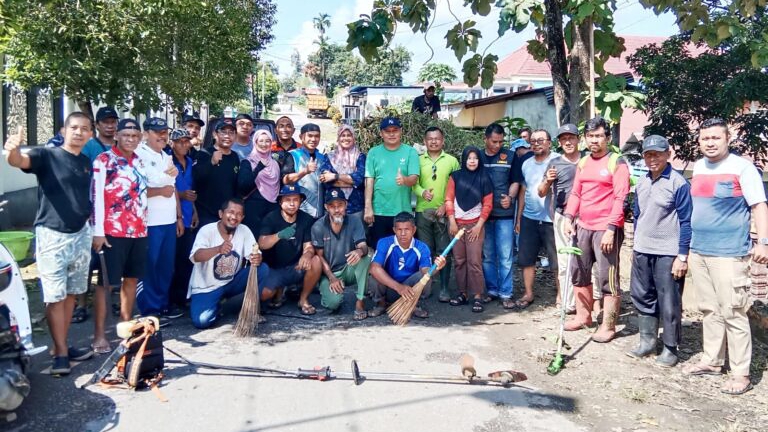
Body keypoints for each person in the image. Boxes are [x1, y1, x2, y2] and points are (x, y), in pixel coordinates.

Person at [682, 118, 768, 395]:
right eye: (705, 138)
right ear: (699, 141)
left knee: (733, 311)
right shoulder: (699, 167)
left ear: (727, 139)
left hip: (729, 253)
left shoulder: (742, 168)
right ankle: (712, 361)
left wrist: (763, 243)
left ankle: (741, 373)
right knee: (709, 309)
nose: (710, 143)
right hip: (700, 250)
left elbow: (759, 206)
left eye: (715, 138)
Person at [4, 114, 95, 375]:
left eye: (84, 129)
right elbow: (19, 161)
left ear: (90, 134)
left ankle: (61, 345)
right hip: (53, 236)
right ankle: (61, 354)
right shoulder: (47, 155)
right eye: (74, 127)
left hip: (81, 234)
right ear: (63, 130)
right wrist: (13, 151)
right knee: (55, 297)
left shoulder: (85, 161)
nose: (79, 132)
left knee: (71, 294)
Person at [563, 116, 630, 342]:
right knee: (578, 271)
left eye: (599, 136)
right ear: (585, 138)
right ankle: (584, 316)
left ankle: (608, 325)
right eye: (590, 136)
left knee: (606, 277)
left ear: (608, 138)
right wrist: (569, 216)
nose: (594, 140)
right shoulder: (583, 162)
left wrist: (611, 229)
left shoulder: (617, 162)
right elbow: (576, 193)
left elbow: (621, 198)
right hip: (582, 226)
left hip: (605, 229)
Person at [627, 135, 691, 368]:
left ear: (668, 154)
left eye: (657, 154)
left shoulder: (678, 183)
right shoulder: (642, 182)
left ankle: (670, 348)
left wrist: (682, 256)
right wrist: (636, 244)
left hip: (667, 252)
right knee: (643, 295)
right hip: (643, 249)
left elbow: (686, 221)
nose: (652, 159)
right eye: (648, 154)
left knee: (669, 300)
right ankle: (647, 342)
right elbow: (637, 215)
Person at [92, 118, 149, 348]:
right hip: (112, 231)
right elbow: (96, 196)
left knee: (131, 279)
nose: (130, 139)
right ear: (116, 136)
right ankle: (99, 335)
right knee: (106, 284)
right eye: (126, 135)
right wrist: (98, 231)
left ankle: (125, 329)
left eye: (135, 136)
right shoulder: (103, 160)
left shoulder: (140, 161)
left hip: (139, 231)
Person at [188, 198, 270, 329]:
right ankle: (223, 307)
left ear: (242, 218)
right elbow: (196, 256)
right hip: (207, 288)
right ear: (221, 214)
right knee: (202, 321)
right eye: (231, 212)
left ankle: (250, 310)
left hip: (231, 282)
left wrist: (257, 258)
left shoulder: (244, 230)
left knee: (262, 269)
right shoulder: (207, 230)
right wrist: (218, 249)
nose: (234, 217)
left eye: (239, 214)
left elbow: (255, 253)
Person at [74, 106, 120, 324]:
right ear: (97, 125)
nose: (110, 126)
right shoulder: (89, 147)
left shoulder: (121, 146)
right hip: (91, 211)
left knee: (113, 260)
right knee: (87, 260)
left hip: (115, 214)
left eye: (113, 122)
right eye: (105, 122)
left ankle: (112, 300)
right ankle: (82, 304)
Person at [134, 117, 182, 320]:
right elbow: (142, 186)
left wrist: (178, 216)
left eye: (165, 132)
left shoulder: (166, 155)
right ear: (146, 134)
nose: (162, 136)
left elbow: (172, 188)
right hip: (149, 221)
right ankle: (149, 309)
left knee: (165, 266)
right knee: (150, 266)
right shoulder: (138, 155)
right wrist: (164, 183)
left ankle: (162, 304)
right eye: (157, 132)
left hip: (168, 219)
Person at [367, 212, 447, 319]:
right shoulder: (385, 243)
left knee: (425, 277)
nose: (403, 233)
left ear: (414, 230)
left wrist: (436, 267)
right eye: (399, 229)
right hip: (389, 287)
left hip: (410, 289)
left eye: (407, 229)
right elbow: (374, 268)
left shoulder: (422, 247)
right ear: (394, 230)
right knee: (374, 276)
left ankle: (412, 304)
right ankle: (381, 304)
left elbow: (426, 271)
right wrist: (399, 287)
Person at [258, 185, 322, 315]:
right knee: (264, 294)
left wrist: (307, 255)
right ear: (280, 202)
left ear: (300, 201)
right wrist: (279, 235)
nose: (292, 204)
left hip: (296, 267)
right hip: (274, 269)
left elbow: (308, 246)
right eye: (288, 200)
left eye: (296, 199)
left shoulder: (306, 219)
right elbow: (262, 243)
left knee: (316, 261)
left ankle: (303, 299)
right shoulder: (271, 218)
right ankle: (279, 290)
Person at [413, 126, 459, 302]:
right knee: (425, 250)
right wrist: (422, 192)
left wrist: (447, 206)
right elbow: (413, 183)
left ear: (443, 141)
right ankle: (426, 286)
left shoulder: (452, 161)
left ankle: (445, 288)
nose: (434, 141)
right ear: (424, 141)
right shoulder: (417, 160)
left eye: (437, 138)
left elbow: (457, 186)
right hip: (422, 211)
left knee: (444, 250)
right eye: (430, 139)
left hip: (444, 213)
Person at [515, 129, 560, 310]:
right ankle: (528, 293)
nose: (536, 144)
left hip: (552, 219)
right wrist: (519, 217)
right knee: (526, 258)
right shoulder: (526, 163)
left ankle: (560, 295)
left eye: (540, 140)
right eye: (533, 141)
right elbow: (523, 191)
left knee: (557, 260)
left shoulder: (558, 161)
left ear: (549, 142)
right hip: (529, 217)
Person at [538, 123, 581, 313]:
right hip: (562, 217)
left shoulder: (588, 160)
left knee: (587, 262)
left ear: (579, 139)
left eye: (571, 138)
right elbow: (541, 192)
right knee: (564, 262)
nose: (568, 142)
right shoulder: (554, 163)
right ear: (559, 143)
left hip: (586, 217)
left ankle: (590, 304)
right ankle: (568, 303)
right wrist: (548, 180)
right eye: (564, 139)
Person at [445, 146, 493, 313]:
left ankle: (478, 296)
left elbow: (488, 204)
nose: (472, 161)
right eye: (469, 158)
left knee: (474, 261)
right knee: (459, 261)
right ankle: (462, 294)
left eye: (475, 158)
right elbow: (449, 199)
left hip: (475, 226)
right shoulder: (455, 176)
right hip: (456, 225)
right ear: (464, 160)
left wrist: (479, 226)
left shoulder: (484, 177)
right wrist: (452, 221)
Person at [311, 187, 371, 319]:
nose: (337, 210)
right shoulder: (318, 226)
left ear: (346, 204)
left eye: (340, 205)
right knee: (333, 304)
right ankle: (329, 291)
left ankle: (360, 301)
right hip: (329, 272)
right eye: (332, 206)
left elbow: (363, 246)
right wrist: (332, 277)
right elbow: (319, 256)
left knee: (366, 257)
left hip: (348, 268)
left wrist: (359, 251)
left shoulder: (354, 221)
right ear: (326, 207)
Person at [479, 123, 519, 309]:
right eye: (494, 141)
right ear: (485, 139)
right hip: (483, 216)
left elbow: (516, 181)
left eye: (501, 142)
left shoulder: (510, 156)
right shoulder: (477, 156)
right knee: (488, 256)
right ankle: (492, 290)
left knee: (505, 256)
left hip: (504, 215)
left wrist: (510, 197)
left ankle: (506, 293)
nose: (497, 145)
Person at [364, 117, 420, 248]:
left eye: (395, 130)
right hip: (379, 210)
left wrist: (405, 180)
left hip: (402, 212)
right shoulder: (373, 152)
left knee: (402, 250)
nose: (391, 134)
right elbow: (369, 180)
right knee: (380, 249)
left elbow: (414, 178)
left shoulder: (410, 152)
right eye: (387, 131)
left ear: (401, 131)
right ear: (381, 133)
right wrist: (368, 207)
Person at [168, 128, 199, 313]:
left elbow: (190, 190)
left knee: (185, 259)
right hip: (171, 216)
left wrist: (194, 211)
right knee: (170, 260)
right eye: (179, 141)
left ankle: (181, 297)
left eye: (186, 141)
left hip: (188, 214)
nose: (183, 145)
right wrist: (181, 195)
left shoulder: (189, 161)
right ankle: (169, 299)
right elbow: (167, 189)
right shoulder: (167, 161)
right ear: (172, 143)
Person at [193, 120, 240, 226]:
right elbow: (196, 178)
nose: (227, 136)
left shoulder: (235, 157)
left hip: (227, 213)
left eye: (231, 133)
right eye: (223, 132)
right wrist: (211, 163)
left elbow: (235, 185)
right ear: (215, 134)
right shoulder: (204, 153)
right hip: (206, 213)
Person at [319, 125, 366, 221]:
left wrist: (335, 176)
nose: (346, 138)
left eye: (349, 135)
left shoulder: (360, 157)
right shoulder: (329, 156)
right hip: (334, 206)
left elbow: (359, 179)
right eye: (343, 135)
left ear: (354, 138)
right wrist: (352, 183)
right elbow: (326, 180)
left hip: (355, 207)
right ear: (338, 138)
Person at [238, 129, 281, 235]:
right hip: (254, 208)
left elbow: (278, 185)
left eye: (267, 141)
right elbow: (243, 186)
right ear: (255, 142)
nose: (264, 144)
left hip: (272, 208)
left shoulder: (275, 163)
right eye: (261, 141)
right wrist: (258, 168)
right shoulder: (248, 162)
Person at [282, 123, 328, 219]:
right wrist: (305, 171)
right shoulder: (293, 155)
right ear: (301, 137)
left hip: (320, 213)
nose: (313, 139)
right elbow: (285, 180)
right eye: (310, 136)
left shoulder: (322, 157)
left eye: (317, 136)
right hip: (300, 212)